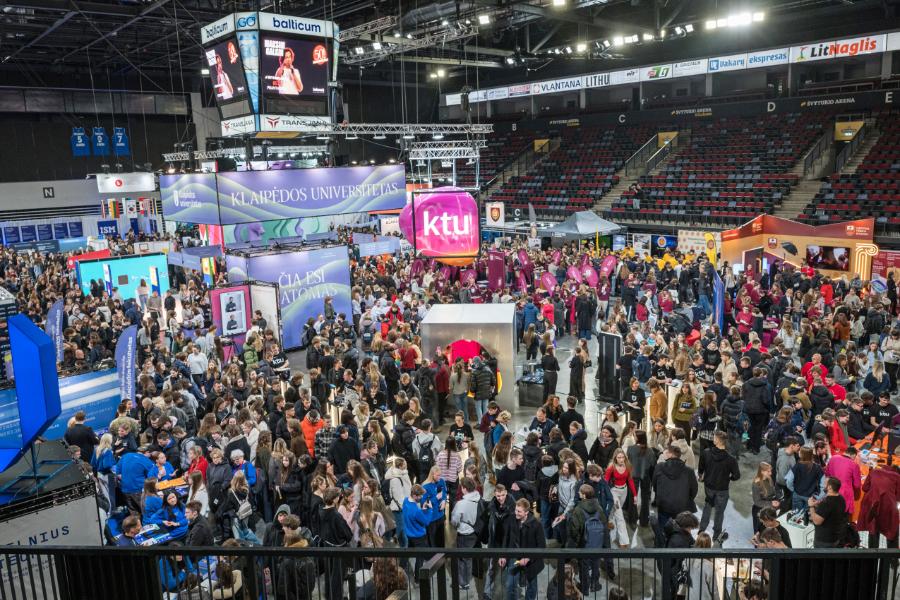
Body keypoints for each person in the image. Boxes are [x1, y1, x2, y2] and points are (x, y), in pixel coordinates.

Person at [697, 431, 740, 544]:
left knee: (707, 506)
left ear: (717, 440)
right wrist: (729, 478)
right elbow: (736, 476)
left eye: (714, 437)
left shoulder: (706, 453)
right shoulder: (731, 459)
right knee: (719, 512)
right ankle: (716, 535)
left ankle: (701, 529)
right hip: (722, 489)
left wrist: (701, 476)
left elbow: (701, 468)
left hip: (709, 487)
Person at [501, 498, 545, 600]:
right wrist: (503, 555)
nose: (516, 513)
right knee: (510, 585)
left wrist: (528, 558)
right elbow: (506, 538)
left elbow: (541, 546)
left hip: (531, 560)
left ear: (526, 512)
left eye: (519, 511)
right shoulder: (511, 519)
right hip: (514, 557)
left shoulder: (536, 524)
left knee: (532, 586)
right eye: (516, 510)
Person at [566, 484, 606, 594]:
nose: (578, 493)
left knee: (584, 566)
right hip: (597, 543)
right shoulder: (599, 507)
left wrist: (578, 540)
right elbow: (604, 523)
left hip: (584, 544)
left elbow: (574, 530)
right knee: (596, 564)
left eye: (580, 492)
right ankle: (595, 585)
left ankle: (585, 588)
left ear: (584, 495)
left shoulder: (578, 510)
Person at [653, 444, 698, 532]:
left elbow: (654, 484)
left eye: (666, 452)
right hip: (681, 506)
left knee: (662, 529)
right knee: (680, 531)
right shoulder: (689, 471)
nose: (664, 453)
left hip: (663, 505)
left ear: (670, 454)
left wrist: (659, 496)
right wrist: (686, 499)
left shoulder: (659, 467)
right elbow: (694, 490)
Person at [320, 487, 353, 600]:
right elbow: (348, 534)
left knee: (329, 575)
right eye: (338, 496)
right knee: (337, 578)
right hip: (338, 550)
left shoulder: (321, 512)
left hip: (326, 548)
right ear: (334, 499)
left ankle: (329, 596)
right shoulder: (336, 516)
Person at [450, 477, 482, 590]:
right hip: (475, 532)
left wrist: (457, 526)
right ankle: (467, 579)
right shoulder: (479, 498)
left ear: (464, 488)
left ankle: (463, 583)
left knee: (462, 559)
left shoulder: (461, 504)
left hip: (464, 533)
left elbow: (454, 521)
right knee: (468, 558)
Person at [808, 477, 847, 548]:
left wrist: (811, 506)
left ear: (830, 487)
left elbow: (817, 521)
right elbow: (831, 511)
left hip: (824, 541)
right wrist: (818, 505)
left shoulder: (827, 503)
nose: (823, 485)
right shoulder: (841, 498)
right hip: (835, 537)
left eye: (825, 484)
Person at [402, 484, 431, 575]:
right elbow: (426, 522)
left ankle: (400, 569)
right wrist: (430, 510)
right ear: (414, 496)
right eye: (420, 496)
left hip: (409, 534)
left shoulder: (405, 501)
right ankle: (418, 578)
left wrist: (422, 510)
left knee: (407, 553)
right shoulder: (415, 510)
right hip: (419, 537)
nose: (422, 497)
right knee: (420, 558)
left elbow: (415, 517)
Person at [750, 462, 780, 533]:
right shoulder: (756, 484)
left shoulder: (769, 479)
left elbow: (773, 492)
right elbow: (757, 502)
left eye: (770, 471)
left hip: (769, 509)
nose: (771, 473)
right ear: (762, 471)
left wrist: (776, 499)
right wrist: (771, 503)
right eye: (768, 471)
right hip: (760, 511)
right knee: (759, 532)